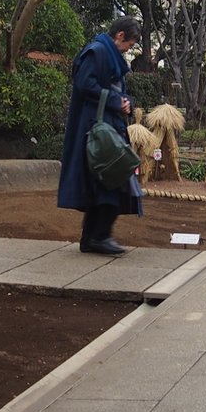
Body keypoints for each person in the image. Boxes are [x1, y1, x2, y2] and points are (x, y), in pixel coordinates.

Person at [57, 16, 143, 254]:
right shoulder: (96, 52)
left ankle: (94, 237)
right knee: (109, 181)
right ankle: (97, 237)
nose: (129, 50)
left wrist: (125, 103)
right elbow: (85, 84)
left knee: (106, 183)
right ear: (120, 36)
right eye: (130, 44)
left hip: (108, 126)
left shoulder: (108, 54)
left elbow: (117, 90)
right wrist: (117, 101)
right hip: (97, 129)